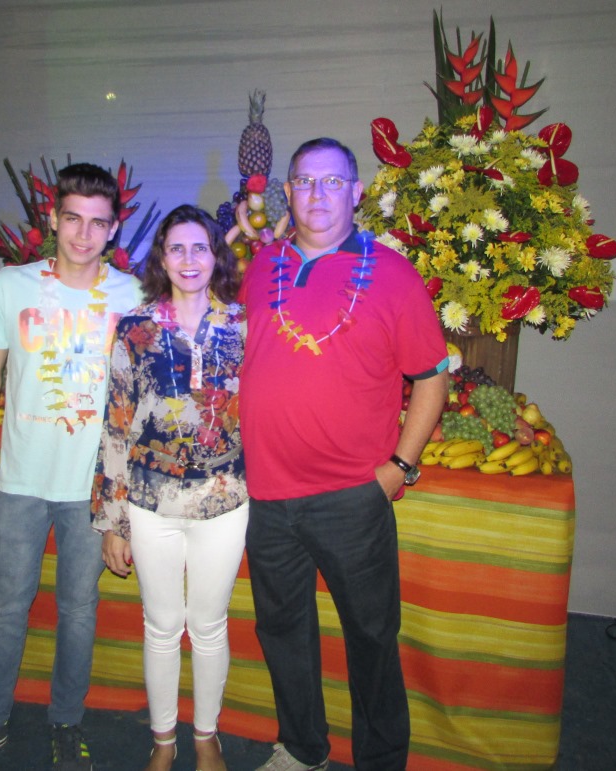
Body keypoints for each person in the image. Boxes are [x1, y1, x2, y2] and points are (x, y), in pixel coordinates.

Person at [0, 163, 142, 771]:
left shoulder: (131, 297)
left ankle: (66, 724)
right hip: (20, 481)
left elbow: (139, 400)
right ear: (53, 219)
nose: (83, 234)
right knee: (7, 605)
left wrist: (123, 501)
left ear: (114, 229)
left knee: (78, 610)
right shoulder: (12, 285)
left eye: (97, 223)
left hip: (90, 489)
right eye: (72, 218)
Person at [239, 138, 449, 771]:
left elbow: (431, 378)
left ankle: (381, 760)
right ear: (288, 191)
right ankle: (303, 748)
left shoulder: (393, 274)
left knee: (371, 637)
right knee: (283, 633)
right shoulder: (263, 265)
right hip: (268, 496)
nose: (318, 194)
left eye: (333, 182)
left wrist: (399, 469)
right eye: (305, 181)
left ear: (356, 193)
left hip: (353, 497)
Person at [93, 204, 247, 771]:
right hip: (149, 501)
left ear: (216, 255)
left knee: (208, 626)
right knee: (160, 627)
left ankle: (206, 735)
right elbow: (116, 422)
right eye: (176, 248)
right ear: (161, 257)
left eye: (199, 247)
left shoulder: (243, 325)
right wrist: (113, 520)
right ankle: (163, 740)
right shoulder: (134, 327)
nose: (188, 259)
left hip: (224, 500)